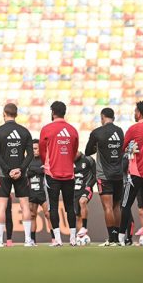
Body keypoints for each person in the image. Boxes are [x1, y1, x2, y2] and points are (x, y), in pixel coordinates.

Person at [0, 103, 34, 247]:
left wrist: (8, 169)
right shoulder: (24, 131)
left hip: (4, 174)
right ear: (16, 114)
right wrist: (20, 169)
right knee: (25, 206)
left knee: (1, 206)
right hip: (21, 174)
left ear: (4, 113)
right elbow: (30, 155)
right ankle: (28, 240)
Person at [39, 101, 79, 246]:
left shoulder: (47, 129)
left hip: (52, 174)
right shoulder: (73, 130)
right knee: (70, 207)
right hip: (69, 174)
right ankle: (73, 239)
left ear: (53, 112)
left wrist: (48, 164)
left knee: (53, 207)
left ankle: (58, 240)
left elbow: (43, 151)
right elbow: (74, 152)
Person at [118, 101, 143, 247]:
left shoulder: (134, 128)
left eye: (135, 111)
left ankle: (121, 237)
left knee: (126, 204)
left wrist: (129, 148)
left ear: (139, 113)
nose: (134, 114)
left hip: (135, 172)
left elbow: (123, 147)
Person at [84, 108, 125, 246]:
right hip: (119, 173)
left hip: (104, 175)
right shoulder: (119, 131)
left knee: (107, 207)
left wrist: (98, 146)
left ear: (102, 117)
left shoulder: (97, 132)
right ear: (113, 117)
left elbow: (87, 151)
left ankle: (111, 239)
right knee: (117, 206)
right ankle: (118, 237)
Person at [27, 139, 53, 244]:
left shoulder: (45, 159)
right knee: (32, 215)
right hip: (31, 192)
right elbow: (26, 173)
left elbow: (47, 171)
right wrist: (38, 170)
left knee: (48, 214)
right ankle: (32, 240)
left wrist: (33, 170)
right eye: (32, 149)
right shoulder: (27, 160)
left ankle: (54, 238)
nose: (34, 150)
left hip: (44, 192)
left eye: (36, 148)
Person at [73, 152, 96, 243]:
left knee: (82, 201)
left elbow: (96, 174)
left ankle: (84, 227)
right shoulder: (69, 160)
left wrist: (89, 185)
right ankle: (82, 237)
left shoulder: (88, 159)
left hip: (86, 188)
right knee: (78, 216)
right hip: (75, 190)